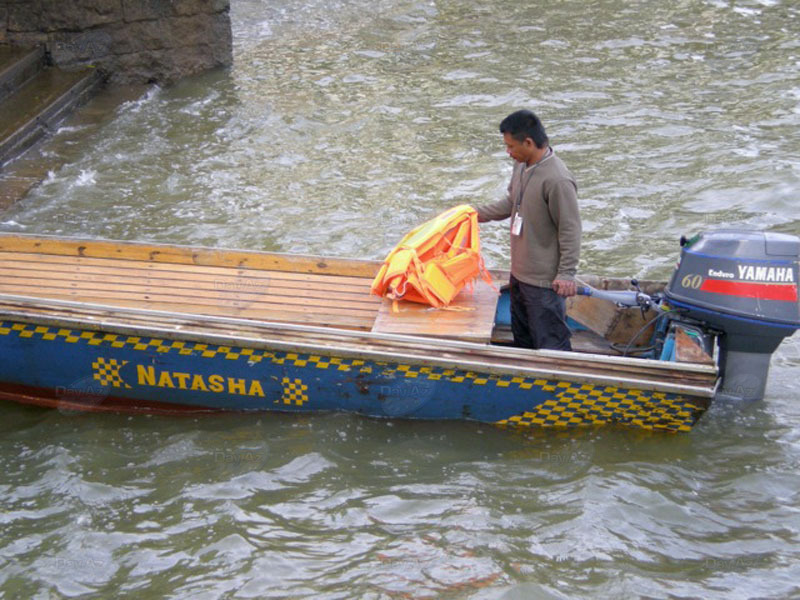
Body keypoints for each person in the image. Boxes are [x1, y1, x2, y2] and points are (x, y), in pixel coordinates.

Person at [476, 109, 581, 351]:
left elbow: (570, 229)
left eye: (511, 146)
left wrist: (566, 273)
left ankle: (557, 386)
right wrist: (474, 213)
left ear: (529, 142)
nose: (508, 152)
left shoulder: (558, 180)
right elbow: (511, 203)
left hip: (543, 283)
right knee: (522, 338)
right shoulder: (521, 166)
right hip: (519, 276)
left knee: (550, 343)